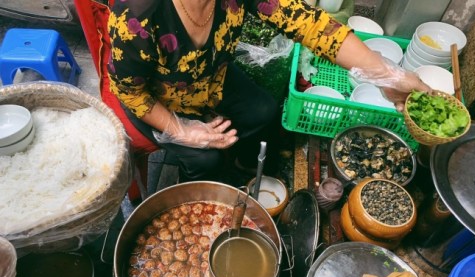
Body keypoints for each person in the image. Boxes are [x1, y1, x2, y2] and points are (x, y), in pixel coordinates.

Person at [107, 0, 430, 182]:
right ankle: (208, 189)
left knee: (262, 110)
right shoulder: (135, 18)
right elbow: (131, 93)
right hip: (158, 102)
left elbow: (309, 24)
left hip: (211, 78)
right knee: (205, 162)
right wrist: (182, 130)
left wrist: (388, 77)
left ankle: (247, 167)